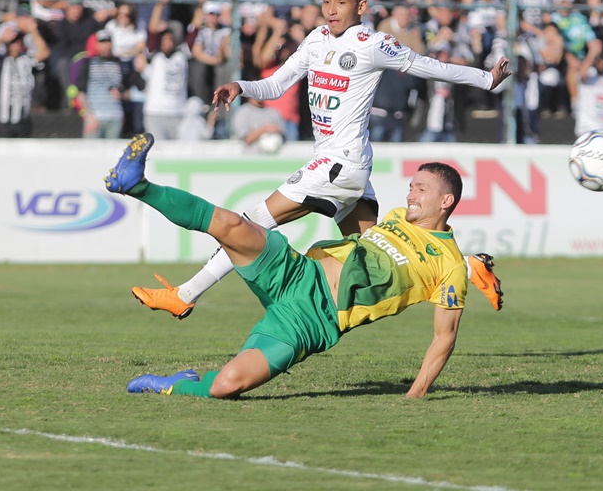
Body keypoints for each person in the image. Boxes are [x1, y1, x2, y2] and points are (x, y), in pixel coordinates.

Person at [129, 0, 511, 320]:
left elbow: (429, 66)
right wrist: (241, 87)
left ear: (361, 6)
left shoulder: (373, 43)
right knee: (376, 252)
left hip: (337, 165)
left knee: (251, 224)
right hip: (349, 168)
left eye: (340, 3)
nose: (331, 10)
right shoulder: (315, 40)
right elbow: (276, 84)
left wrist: (485, 79)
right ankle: (465, 265)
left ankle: (186, 294)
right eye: (326, 1)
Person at [105, 135, 503, 399]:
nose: (410, 193)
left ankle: (176, 384)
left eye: (421, 189)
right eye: (412, 186)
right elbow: (358, 225)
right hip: (297, 273)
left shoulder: (448, 266)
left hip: (313, 321)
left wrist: (416, 393)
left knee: (227, 386)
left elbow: (444, 337)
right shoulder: (396, 217)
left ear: (446, 201)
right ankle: (136, 184)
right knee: (232, 225)